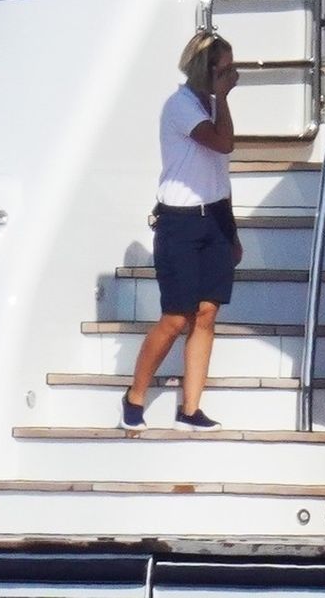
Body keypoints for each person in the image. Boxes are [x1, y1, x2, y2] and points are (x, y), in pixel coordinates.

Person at [121, 32, 242, 433]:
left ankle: (190, 408)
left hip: (214, 216)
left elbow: (218, 174)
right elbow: (223, 144)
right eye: (225, 69)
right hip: (181, 221)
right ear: (205, 69)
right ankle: (135, 395)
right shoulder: (181, 106)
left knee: (206, 314)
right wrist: (223, 99)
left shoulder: (210, 106)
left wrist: (231, 231)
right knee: (176, 317)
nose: (232, 76)